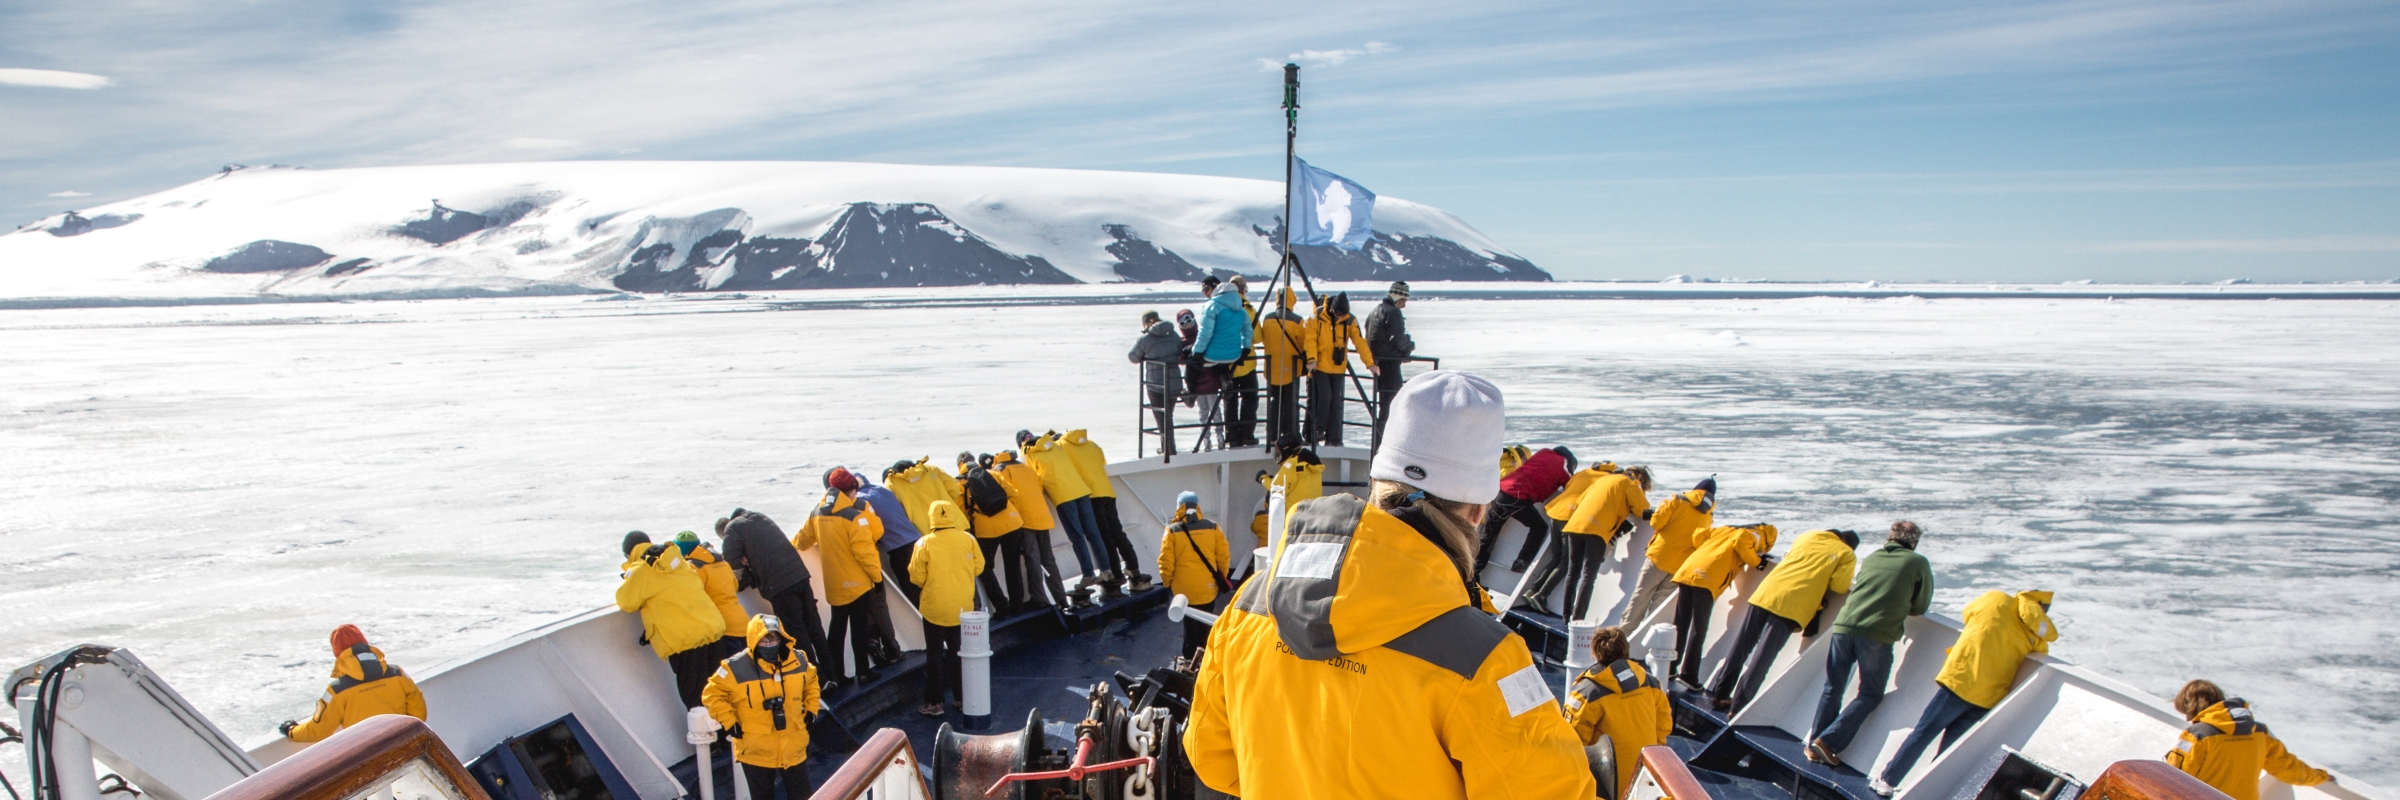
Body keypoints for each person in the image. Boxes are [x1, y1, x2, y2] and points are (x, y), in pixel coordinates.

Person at [1185, 371, 1594, 799]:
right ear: (1477, 511)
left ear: (1377, 486)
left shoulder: (1249, 605)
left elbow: (1212, 757)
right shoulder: (1483, 658)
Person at [1872, 589, 2059, 796]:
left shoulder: (1996, 599)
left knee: (1922, 735)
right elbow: (2039, 654)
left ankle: (1887, 781)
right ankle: (1922, 794)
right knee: (1948, 755)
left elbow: (1968, 613)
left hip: (1960, 681)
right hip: (1987, 697)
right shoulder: (2037, 634)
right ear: (2044, 610)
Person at [1808, 521, 1931, 767]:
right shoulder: (1918, 563)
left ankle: (1813, 746)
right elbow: (1920, 606)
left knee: (1833, 687)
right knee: (1871, 693)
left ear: (1890, 538)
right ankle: (1828, 742)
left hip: (1843, 627)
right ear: (1914, 543)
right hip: (1875, 633)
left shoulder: (1874, 557)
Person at [1709, 528, 1858, 713]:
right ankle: (1738, 707)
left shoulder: (1807, 536)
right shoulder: (1846, 553)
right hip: (1792, 605)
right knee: (1762, 658)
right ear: (1850, 545)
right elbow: (1840, 585)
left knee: (1741, 645)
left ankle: (1719, 694)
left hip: (1765, 593)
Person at [795, 467, 900, 685]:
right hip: (857, 583)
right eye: (853, 490)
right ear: (848, 490)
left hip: (834, 583)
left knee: (836, 629)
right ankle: (863, 671)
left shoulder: (818, 512)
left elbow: (802, 541)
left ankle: (837, 674)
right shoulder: (855, 516)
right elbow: (865, 552)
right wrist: (877, 578)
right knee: (859, 629)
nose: (855, 494)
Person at [702, 615, 821, 800]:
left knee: (803, 796)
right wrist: (729, 722)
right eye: (763, 641)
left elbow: (812, 682)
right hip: (755, 750)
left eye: (772, 639)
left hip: (793, 744)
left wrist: (812, 710)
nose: (768, 645)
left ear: (781, 639)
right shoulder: (734, 668)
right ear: (753, 641)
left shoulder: (799, 660)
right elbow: (711, 695)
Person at [2164, 680, 2332, 800]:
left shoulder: (2197, 735)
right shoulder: (2258, 732)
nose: (2186, 718)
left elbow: (2172, 779)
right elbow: (2288, 768)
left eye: (2186, 711)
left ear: (2192, 706)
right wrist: (2321, 777)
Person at [616, 534, 729, 708]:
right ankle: (728, 733)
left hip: (686, 640)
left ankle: (708, 734)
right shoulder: (677, 562)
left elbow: (626, 602)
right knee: (720, 692)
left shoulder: (641, 570)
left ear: (628, 554)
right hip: (712, 630)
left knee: (696, 698)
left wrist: (629, 571)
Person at [1563, 626, 1674, 800]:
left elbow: (1572, 744)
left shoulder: (1585, 693)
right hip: (1644, 775)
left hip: (1606, 783)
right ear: (1625, 649)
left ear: (1596, 652)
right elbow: (1663, 727)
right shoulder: (1651, 683)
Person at [1668, 523, 1777, 686]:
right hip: (1706, 577)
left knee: (1681, 623)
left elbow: (1698, 533)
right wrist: (1756, 560)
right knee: (1699, 630)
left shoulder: (1726, 529)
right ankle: (1688, 675)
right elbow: (1742, 541)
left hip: (1688, 571)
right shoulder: (1756, 534)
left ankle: (1670, 667)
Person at [716, 510, 827, 669]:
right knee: (814, 626)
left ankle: (817, 678)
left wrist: (743, 559)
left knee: (796, 632)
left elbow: (730, 560)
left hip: (779, 585)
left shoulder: (732, 529)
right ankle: (833, 672)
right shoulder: (759, 516)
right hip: (799, 575)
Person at [278, 625, 426, 742]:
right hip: (403, 742)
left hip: (366, 754)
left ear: (338, 653)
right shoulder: (397, 673)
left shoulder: (336, 690)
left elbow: (318, 731)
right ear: (364, 643)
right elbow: (418, 708)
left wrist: (291, 731)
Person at [909, 500, 986, 717]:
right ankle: (962, 698)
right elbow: (979, 566)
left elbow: (916, 577)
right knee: (958, 652)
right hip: (963, 607)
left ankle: (935, 703)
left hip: (935, 608)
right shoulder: (967, 539)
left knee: (934, 654)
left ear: (932, 518)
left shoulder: (924, 544)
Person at [1516, 460, 1617, 615]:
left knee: (1557, 557)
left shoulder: (1583, 473)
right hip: (1570, 517)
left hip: (1556, 512)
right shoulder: (1606, 481)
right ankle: (1541, 595)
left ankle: (1533, 590)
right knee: (1566, 562)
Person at [1058, 429, 1151, 588]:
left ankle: (1115, 574)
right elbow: (1102, 462)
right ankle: (1132, 566)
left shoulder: (1061, 446)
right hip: (1107, 491)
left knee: (1104, 536)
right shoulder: (1092, 443)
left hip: (1091, 494)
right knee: (1117, 531)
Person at [1559, 465, 1652, 621]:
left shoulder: (1604, 479)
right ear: (1641, 479)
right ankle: (1577, 619)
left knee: (1573, 573)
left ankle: (1566, 615)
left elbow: (1581, 499)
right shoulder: (1631, 482)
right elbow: (1642, 509)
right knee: (1588, 577)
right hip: (1596, 530)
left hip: (1575, 525)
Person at [992, 448, 1081, 610]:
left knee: (1032, 558)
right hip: (1042, 515)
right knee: (1048, 559)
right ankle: (1060, 597)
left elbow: (1004, 494)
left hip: (1025, 519)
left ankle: (1039, 598)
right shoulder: (1026, 467)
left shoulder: (1001, 470)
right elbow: (1039, 487)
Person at [1021, 430, 1107, 587]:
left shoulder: (1029, 454)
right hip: (1081, 490)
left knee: (1077, 538)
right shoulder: (1053, 445)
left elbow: (1034, 480)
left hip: (1063, 496)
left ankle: (1088, 574)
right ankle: (1106, 570)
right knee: (1093, 533)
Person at [1625, 478, 1714, 626]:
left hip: (1659, 557)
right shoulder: (1709, 516)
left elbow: (1656, 523)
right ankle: (1647, 635)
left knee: (1640, 597)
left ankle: (1624, 634)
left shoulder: (1676, 500)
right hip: (1680, 566)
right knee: (1659, 603)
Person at [1474, 445, 1574, 576]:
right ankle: (1521, 562)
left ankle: (1472, 576)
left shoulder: (1543, 452)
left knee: (1487, 537)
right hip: (1516, 498)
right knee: (1539, 528)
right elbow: (1572, 485)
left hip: (1499, 492)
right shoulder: (1564, 465)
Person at [1158, 491, 1233, 659]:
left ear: (1179, 508)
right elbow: (1223, 557)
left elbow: (1165, 563)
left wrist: (1167, 583)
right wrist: (1222, 576)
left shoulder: (1171, 531)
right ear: (1197, 506)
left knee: (1189, 628)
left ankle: (1190, 659)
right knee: (1206, 625)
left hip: (1183, 592)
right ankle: (1206, 658)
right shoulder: (1213, 527)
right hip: (1208, 589)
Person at [956, 452, 1032, 611]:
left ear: (959, 466)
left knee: (983, 567)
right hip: (1012, 523)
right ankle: (1017, 604)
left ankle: (1001, 605)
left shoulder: (961, 484)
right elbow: (1013, 494)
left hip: (987, 530)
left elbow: (961, 511)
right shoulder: (992, 473)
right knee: (1013, 564)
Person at [1302, 292, 1376, 447]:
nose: (1339, 317)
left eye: (1342, 314)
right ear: (1332, 309)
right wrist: (1311, 359)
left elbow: (1360, 343)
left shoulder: (1350, 320)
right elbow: (1310, 338)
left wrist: (1370, 363)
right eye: (1337, 314)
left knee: (1336, 401)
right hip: (1320, 365)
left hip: (1337, 367)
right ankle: (1319, 429)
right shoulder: (1318, 316)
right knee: (1325, 396)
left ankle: (1334, 438)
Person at [1195, 275, 1254, 448]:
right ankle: (1224, 378)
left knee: (1195, 364)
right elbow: (1248, 331)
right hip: (1235, 355)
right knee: (1249, 397)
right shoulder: (1242, 309)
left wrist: (1196, 353)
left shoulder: (1212, 306)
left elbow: (1205, 333)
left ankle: (1189, 390)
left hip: (1214, 355)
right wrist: (1245, 349)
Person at [677, 531, 751, 660]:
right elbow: (735, 586)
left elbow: (694, 595)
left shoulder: (693, 567)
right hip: (742, 620)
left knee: (735, 673)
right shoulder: (723, 563)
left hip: (723, 625)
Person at [858, 469, 926, 605]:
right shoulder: (882, 490)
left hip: (899, 549)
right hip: (918, 540)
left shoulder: (860, 500)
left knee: (911, 590)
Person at [1362, 281, 1414, 449]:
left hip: (1377, 364)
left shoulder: (1374, 312)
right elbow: (1399, 340)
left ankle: (1379, 440)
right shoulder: (1393, 313)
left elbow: (1370, 336)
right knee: (1393, 402)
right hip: (1390, 365)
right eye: (1404, 300)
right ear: (1399, 297)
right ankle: (1388, 441)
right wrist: (1408, 345)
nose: (1404, 305)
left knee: (1384, 404)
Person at [1255, 287, 1309, 446]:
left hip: (1272, 369)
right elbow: (1303, 344)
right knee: (1291, 403)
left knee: (1274, 402)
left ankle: (1273, 435)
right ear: (1292, 300)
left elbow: (1265, 339)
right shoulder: (1298, 321)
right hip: (1291, 369)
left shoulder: (1267, 319)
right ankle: (1292, 435)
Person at [1129, 311, 1184, 456]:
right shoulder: (1173, 334)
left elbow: (1133, 357)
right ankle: (1167, 446)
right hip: (1175, 382)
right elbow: (1179, 350)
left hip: (1156, 384)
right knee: (1168, 414)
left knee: (1161, 416)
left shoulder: (1145, 339)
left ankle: (1168, 449)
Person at [1223, 275, 1262, 447]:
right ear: (1242, 289)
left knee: (1229, 400)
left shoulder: (1220, 306)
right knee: (1250, 398)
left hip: (1226, 362)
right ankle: (1247, 434)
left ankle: (1231, 436)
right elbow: (1257, 337)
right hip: (1246, 362)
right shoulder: (1248, 309)